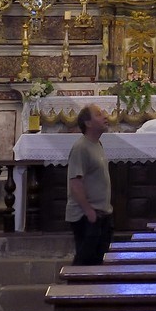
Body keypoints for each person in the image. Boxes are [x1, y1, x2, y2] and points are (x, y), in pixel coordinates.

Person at [66, 104, 113, 265]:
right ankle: (73, 290)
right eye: (99, 115)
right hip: (86, 216)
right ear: (88, 123)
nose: (105, 116)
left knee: (97, 262)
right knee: (84, 263)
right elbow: (75, 182)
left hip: (100, 214)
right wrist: (89, 211)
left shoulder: (97, 144)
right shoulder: (81, 147)